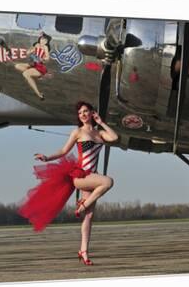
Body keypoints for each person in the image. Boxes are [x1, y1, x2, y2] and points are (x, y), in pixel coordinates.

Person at [17, 101, 119, 265]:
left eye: (86, 111)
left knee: (89, 217)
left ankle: (83, 251)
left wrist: (100, 122)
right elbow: (64, 151)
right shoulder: (77, 132)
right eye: (80, 113)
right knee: (108, 181)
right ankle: (82, 206)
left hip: (92, 177)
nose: (83, 115)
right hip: (81, 176)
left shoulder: (100, 133)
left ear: (92, 112)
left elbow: (114, 137)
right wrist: (47, 158)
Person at [14, 32, 52, 100]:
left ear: (47, 42)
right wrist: (30, 52)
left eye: (45, 40)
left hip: (39, 66)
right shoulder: (37, 45)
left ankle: (39, 94)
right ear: (40, 39)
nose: (43, 41)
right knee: (17, 66)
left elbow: (48, 58)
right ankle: (35, 76)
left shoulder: (45, 47)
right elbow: (29, 52)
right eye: (42, 39)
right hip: (33, 64)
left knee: (25, 74)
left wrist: (42, 58)